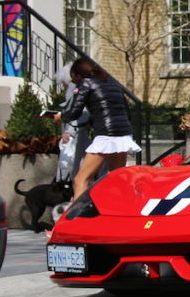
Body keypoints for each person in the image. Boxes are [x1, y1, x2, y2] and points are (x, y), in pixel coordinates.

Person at [56, 58, 140, 201]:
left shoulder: (85, 82)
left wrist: (60, 117)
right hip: (123, 133)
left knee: (81, 179)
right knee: (116, 178)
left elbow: (74, 112)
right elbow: (127, 112)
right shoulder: (112, 82)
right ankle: (121, 214)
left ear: (77, 75)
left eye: (73, 78)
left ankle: (77, 220)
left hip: (106, 136)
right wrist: (92, 121)